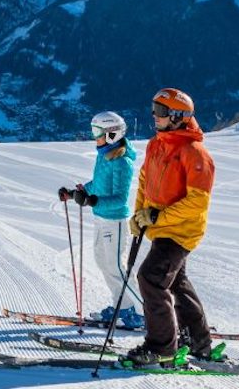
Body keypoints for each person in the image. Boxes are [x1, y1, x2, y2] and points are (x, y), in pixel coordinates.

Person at [124, 88, 223, 369]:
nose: (155, 116)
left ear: (179, 116)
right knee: (176, 282)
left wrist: (156, 217)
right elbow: (145, 181)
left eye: (162, 111)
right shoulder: (156, 144)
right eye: (154, 109)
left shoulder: (196, 154)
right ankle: (198, 341)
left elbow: (196, 203)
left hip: (181, 231)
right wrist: (139, 215)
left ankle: (162, 348)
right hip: (161, 226)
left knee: (151, 278)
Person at [57, 112, 142, 330]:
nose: (94, 136)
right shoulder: (104, 156)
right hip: (101, 219)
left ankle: (144, 312)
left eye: (97, 132)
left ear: (112, 134)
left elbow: (120, 198)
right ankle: (123, 307)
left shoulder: (122, 162)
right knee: (103, 262)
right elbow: (98, 184)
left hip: (115, 221)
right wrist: (75, 193)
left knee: (116, 267)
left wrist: (92, 201)